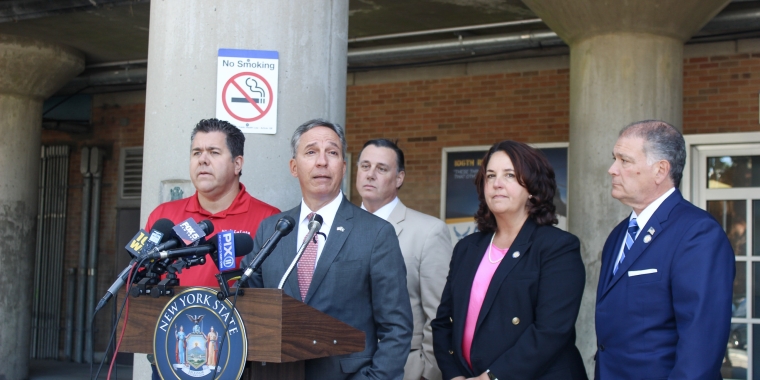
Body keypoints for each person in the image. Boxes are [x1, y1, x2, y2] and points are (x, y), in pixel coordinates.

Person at [242, 119, 413, 379]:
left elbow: (396, 327)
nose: (322, 161)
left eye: (332, 153)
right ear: (294, 167)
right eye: (311, 152)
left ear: (343, 167)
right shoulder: (273, 229)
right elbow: (248, 305)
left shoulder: (376, 233)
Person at [432, 140, 587, 380]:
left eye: (510, 175)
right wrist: (454, 375)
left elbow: (551, 331)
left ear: (533, 187)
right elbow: (444, 323)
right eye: (490, 175)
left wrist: (491, 378)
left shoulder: (557, 247)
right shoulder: (467, 248)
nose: (497, 184)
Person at [595, 120, 734, 379]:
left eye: (624, 161)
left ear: (660, 170)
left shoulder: (697, 233)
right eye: (614, 159)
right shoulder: (618, 235)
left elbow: (700, 345)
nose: (612, 169)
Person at [356, 139, 451, 380]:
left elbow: (440, 313)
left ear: (399, 178)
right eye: (365, 166)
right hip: (348, 365)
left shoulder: (429, 231)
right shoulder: (339, 228)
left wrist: (428, 373)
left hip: (406, 369)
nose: (370, 175)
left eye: (382, 168)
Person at [145, 118, 280, 287]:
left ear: (237, 164)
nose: (203, 160)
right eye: (196, 153)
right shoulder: (163, 215)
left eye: (214, 152)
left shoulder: (269, 219)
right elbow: (138, 278)